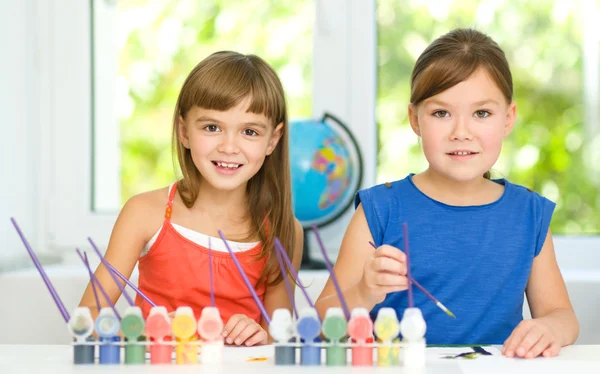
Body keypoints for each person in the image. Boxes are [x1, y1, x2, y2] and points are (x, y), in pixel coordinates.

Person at [314, 28, 578, 358]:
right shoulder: (379, 209)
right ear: (415, 120)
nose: (461, 133)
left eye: (481, 113)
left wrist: (550, 328)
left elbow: (563, 317)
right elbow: (323, 323)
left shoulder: (530, 214)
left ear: (508, 118)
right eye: (441, 113)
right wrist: (365, 291)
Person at [79, 51, 303, 347]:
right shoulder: (145, 213)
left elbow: (279, 339)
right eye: (212, 127)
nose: (228, 146)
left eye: (249, 131)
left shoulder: (284, 230)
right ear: (184, 132)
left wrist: (261, 335)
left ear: (272, 141)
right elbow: (86, 319)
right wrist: (144, 333)